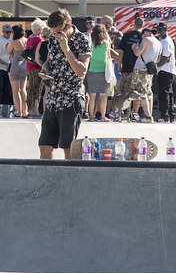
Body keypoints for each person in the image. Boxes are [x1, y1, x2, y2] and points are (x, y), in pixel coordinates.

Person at [38, 8, 91, 160]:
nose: (55, 36)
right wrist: (45, 69)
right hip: (54, 97)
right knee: (44, 145)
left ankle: (68, 179)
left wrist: (66, 49)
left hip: (71, 98)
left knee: (68, 148)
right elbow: (48, 62)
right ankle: (47, 180)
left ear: (68, 27)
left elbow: (81, 71)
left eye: (58, 33)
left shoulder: (83, 40)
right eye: (53, 33)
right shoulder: (54, 39)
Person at [111, 17, 144, 120]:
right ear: (143, 25)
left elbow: (121, 52)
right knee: (137, 92)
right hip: (140, 69)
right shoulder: (144, 37)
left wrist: (119, 66)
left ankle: (121, 114)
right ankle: (135, 113)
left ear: (133, 24)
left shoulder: (126, 35)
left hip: (127, 67)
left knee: (125, 91)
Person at [85, 23, 119, 121]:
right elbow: (108, 56)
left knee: (92, 95)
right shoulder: (106, 44)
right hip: (103, 71)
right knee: (103, 95)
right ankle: (103, 116)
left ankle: (91, 115)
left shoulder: (90, 43)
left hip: (91, 71)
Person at [128, 26, 159, 122]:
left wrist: (134, 48)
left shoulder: (146, 39)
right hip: (149, 70)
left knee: (141, 93)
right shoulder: (158, 42)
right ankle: (147, 115)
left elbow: (137, 53)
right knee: (148, 93)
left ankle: (147, 116)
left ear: (146, 32)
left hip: (140, 69)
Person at [153, 23, 176, 123]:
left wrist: (155, 66)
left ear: (165, 30)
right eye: (157, 29)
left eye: (160, 29)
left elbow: (165, 58)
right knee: (169, 94)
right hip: (167, 70)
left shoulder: (166, 41)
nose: (158, 31)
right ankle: (171, 115)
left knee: (164, 94)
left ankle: (165, 115)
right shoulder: (163, 40)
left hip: (165, 70)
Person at [24, 19, 47, 117]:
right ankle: (35, 110)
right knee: (38, 88)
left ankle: (30, 109)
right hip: (37, 65)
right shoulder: (39, 39)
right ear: (39, 29)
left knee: (31, 88)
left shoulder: (29, 38)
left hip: (29, 65)